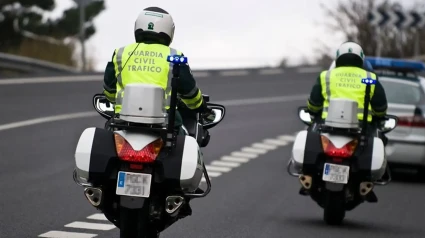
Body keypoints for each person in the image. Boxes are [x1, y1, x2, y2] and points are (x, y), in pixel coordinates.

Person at [102, 6, 214, 135]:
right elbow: (189, 91)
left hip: (122, 120)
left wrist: (114, 101)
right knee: (187, 141)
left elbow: (109, 88)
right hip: (166, 123)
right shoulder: (175, 55)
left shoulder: (120, 53)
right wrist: (200, 106)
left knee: (107, 134)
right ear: (169, 30)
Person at [306, 41, 388, 143]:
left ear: (338, 57)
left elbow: (314, 103)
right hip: (362, 129)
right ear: (361, 58)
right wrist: (379, 116)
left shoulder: (326, 76)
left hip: (326, 126)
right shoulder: (370, 77)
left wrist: (312, 110)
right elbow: (380, 107)